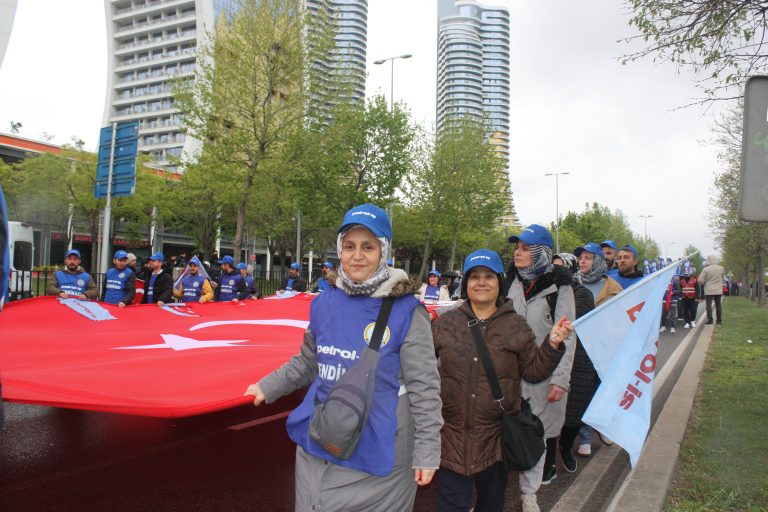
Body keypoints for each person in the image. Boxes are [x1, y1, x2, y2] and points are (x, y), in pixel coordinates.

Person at [244, 203, 442, 511]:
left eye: (368, 247)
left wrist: (427, 451)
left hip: (380, 452)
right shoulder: (325, 302)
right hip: (322, 437)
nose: (357, 255)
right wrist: (268, 386)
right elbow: (308, 362)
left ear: (384, 251)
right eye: (349, 246)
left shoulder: (407, 311)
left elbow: (425, 387)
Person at [434, 248, 572, 512]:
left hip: (496, 440)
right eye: (474, 276)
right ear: (466, 283)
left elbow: (533, 372)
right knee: (451, 505)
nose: (481, 282)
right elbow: (423, 369)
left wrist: (552, 344)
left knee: (491, 505)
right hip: (451, 438)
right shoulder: (446, 323)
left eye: (489, 276)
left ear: (499, 282)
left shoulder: (515, 325)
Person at [504, 225, 576, 508]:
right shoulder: (509, 281)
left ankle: (529, 494)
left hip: (543, 375)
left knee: (536, 434)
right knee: (501, 430)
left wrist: (560, 378)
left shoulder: (560, 288)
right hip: (508, 374)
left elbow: (567, 335)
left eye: (525, 248)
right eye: (517, 248)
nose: (517, 253)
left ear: (541, 253)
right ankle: (493, 491)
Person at [573, 242, 623, 457]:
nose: (582, 261)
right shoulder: (572, 284)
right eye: (580, 258)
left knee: (601, 390)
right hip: (579, 348)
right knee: (582, 392)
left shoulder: (613, 288)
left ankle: (602, 426)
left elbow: (622, 318)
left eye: (588, 257)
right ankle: (584, 436)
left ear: (599, 261)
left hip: (604, 348)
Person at [552, 252, 596, 476]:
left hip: (578, 359)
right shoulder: (547, 292)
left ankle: (566, 446)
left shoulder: (582, 294)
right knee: (549, 411)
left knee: (574, 410)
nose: (555, 272)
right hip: (552, 354)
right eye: (553, 267)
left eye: (560, 268)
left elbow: (565, 321)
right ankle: (548, 459)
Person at [697, 255, 726, 325]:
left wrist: (704, 283)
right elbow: (723, 278)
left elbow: (700, 280)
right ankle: (719, 321)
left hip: (709, 289)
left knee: (708, 305)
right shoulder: (721, 268)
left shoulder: (706, 269)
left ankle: (710, 320)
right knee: (718, 305)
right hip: (718, 289)